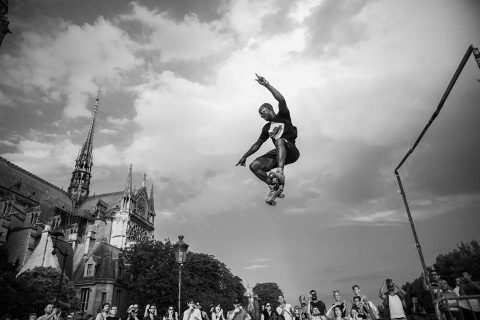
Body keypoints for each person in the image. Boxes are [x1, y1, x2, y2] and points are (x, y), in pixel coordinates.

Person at [236, 74, 300, 205]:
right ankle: (274, 187)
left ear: (269, 109)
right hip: (279, 152)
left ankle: (280, 172)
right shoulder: (266, 127)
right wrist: (245, 156)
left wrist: (267, 85)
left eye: (262, 112)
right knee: (254, 166)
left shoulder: (283, 116)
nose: (261, 116)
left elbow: (282, 101)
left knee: (279, 140)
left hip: (291, 150)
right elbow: (258, 144)